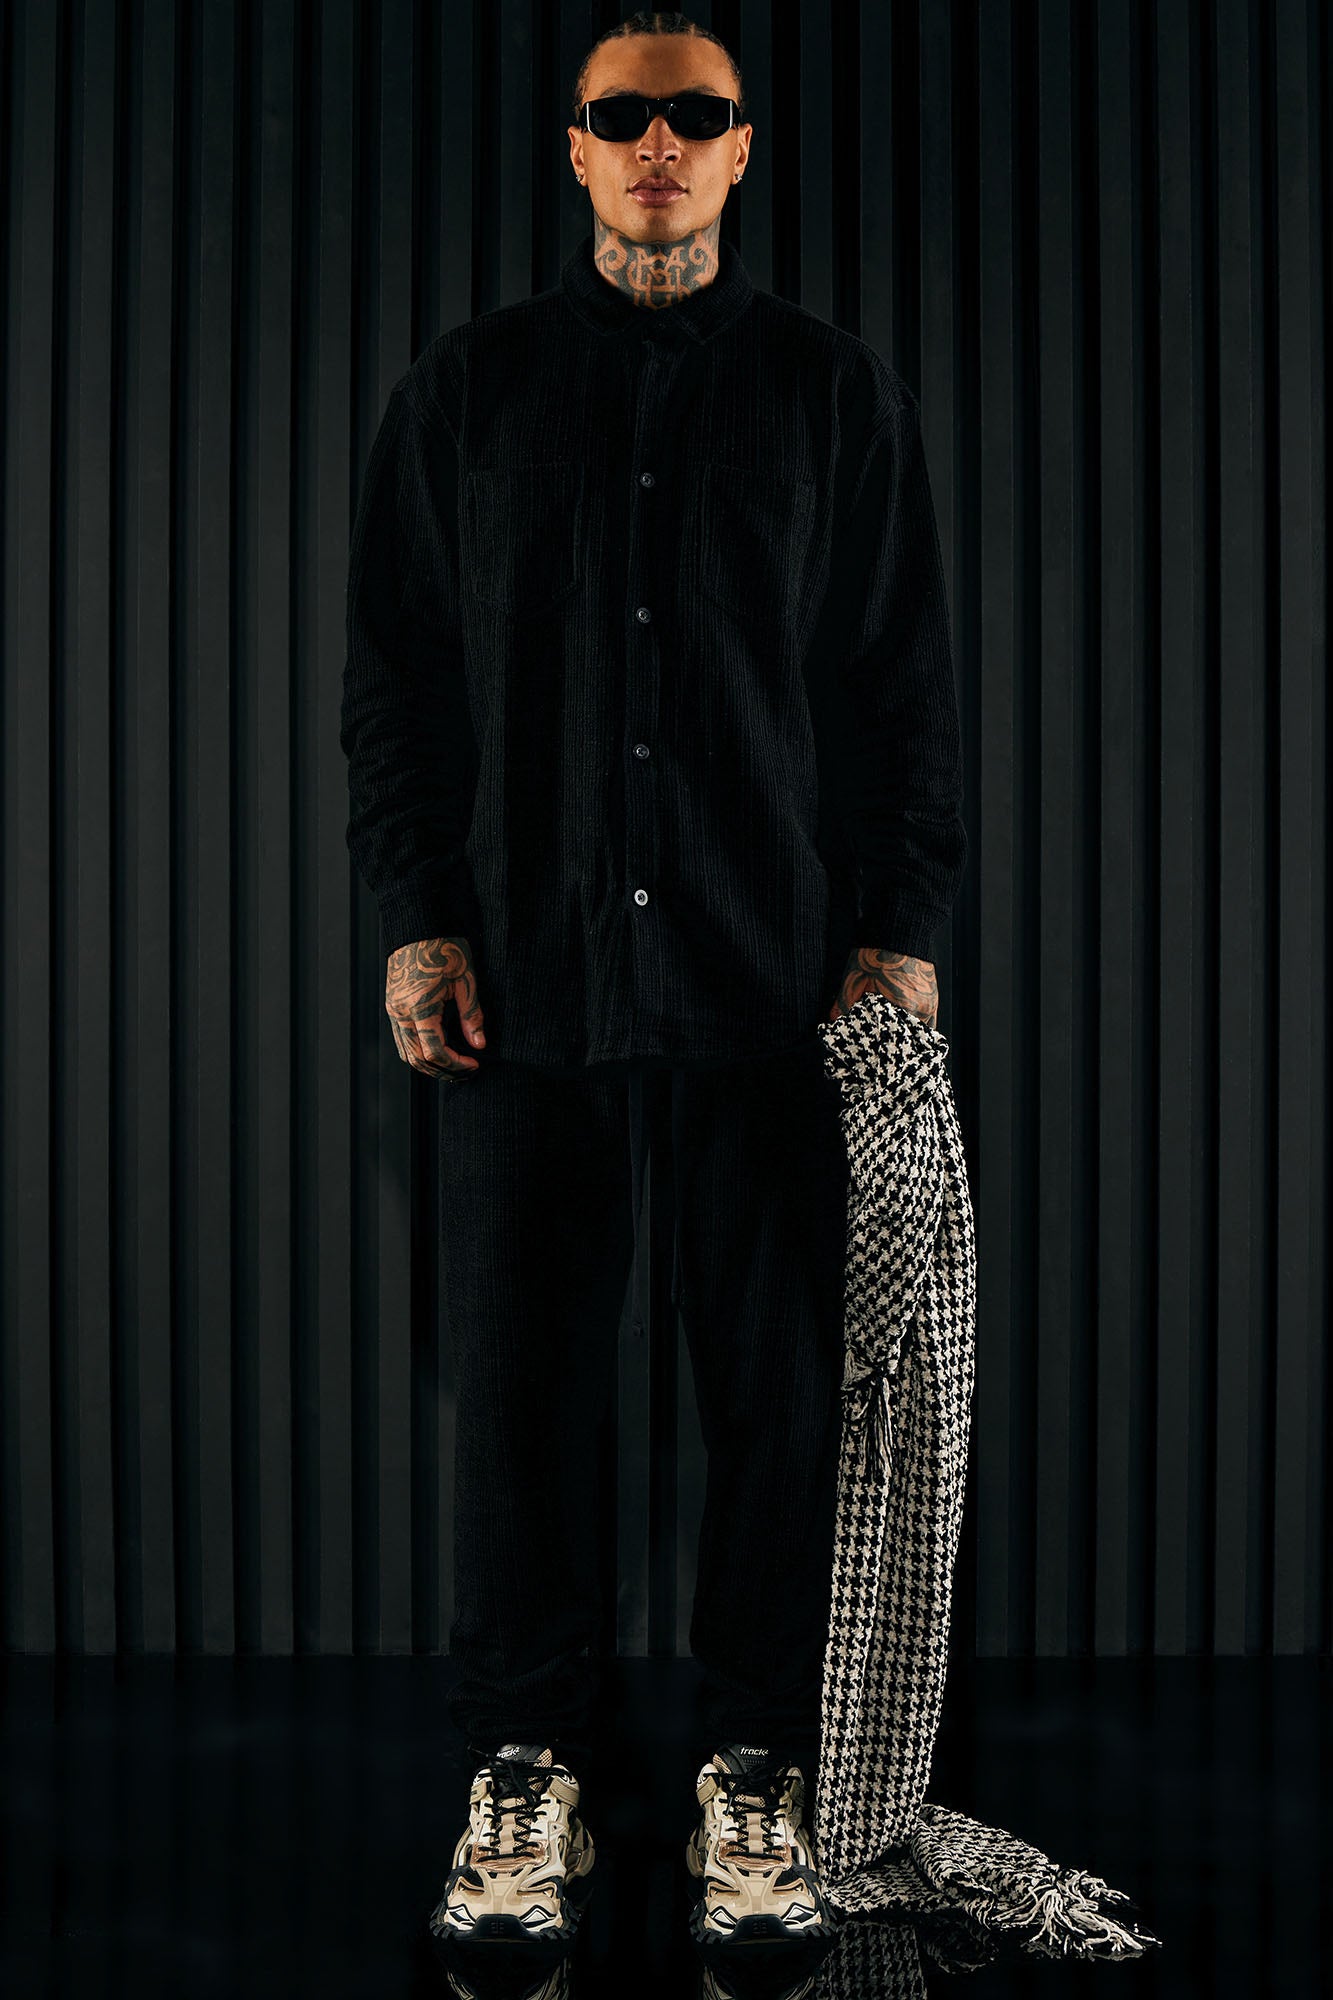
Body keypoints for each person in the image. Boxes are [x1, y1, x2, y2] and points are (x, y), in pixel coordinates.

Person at [340, 8, 966, 1957]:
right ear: (576, 147)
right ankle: (523, 1769)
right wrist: (415, 912)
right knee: (522, 1397)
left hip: (772, 984)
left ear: (744, 147)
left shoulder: (828, 393)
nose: (661, 142)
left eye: (698, 113)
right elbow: (395, 682)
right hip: (522, 988)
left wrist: (900, 931)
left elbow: (902, 688)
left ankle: (752, 1767)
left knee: (775, 1399)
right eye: (625, 114)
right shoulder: (468, 391)